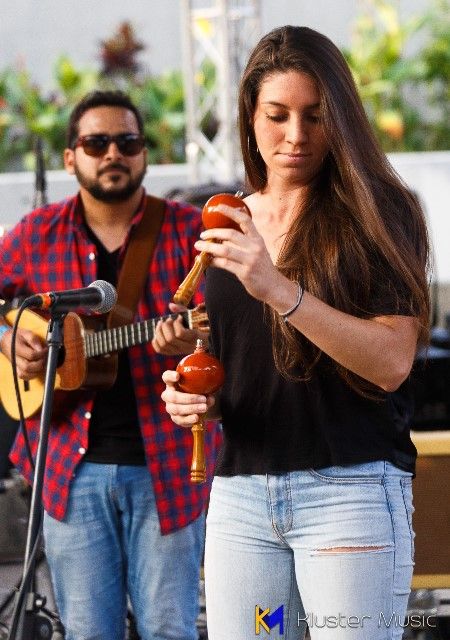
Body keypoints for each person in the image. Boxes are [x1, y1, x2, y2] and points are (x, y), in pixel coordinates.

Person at [161, 26, 431, 640]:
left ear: (342, 118)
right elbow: (230, 354)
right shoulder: (226, 215)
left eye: (315, 116)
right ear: (250, 117)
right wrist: (192, 395)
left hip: (350, 493)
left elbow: (392, 361)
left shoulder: (381, 212)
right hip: (242, 496)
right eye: (277, 115)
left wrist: (278, 288)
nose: (295, 135)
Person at [0, 90, 220, 640]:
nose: (113, 154)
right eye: (96, 143)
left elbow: (232, 331)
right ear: (71, 156)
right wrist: (9, 342)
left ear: (145, 153)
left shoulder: (190, 232)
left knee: (170, 629)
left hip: (168, 466)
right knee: (87, 632)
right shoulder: (35, 234)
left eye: (128, 142)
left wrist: (192, 347)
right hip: (69, 470)